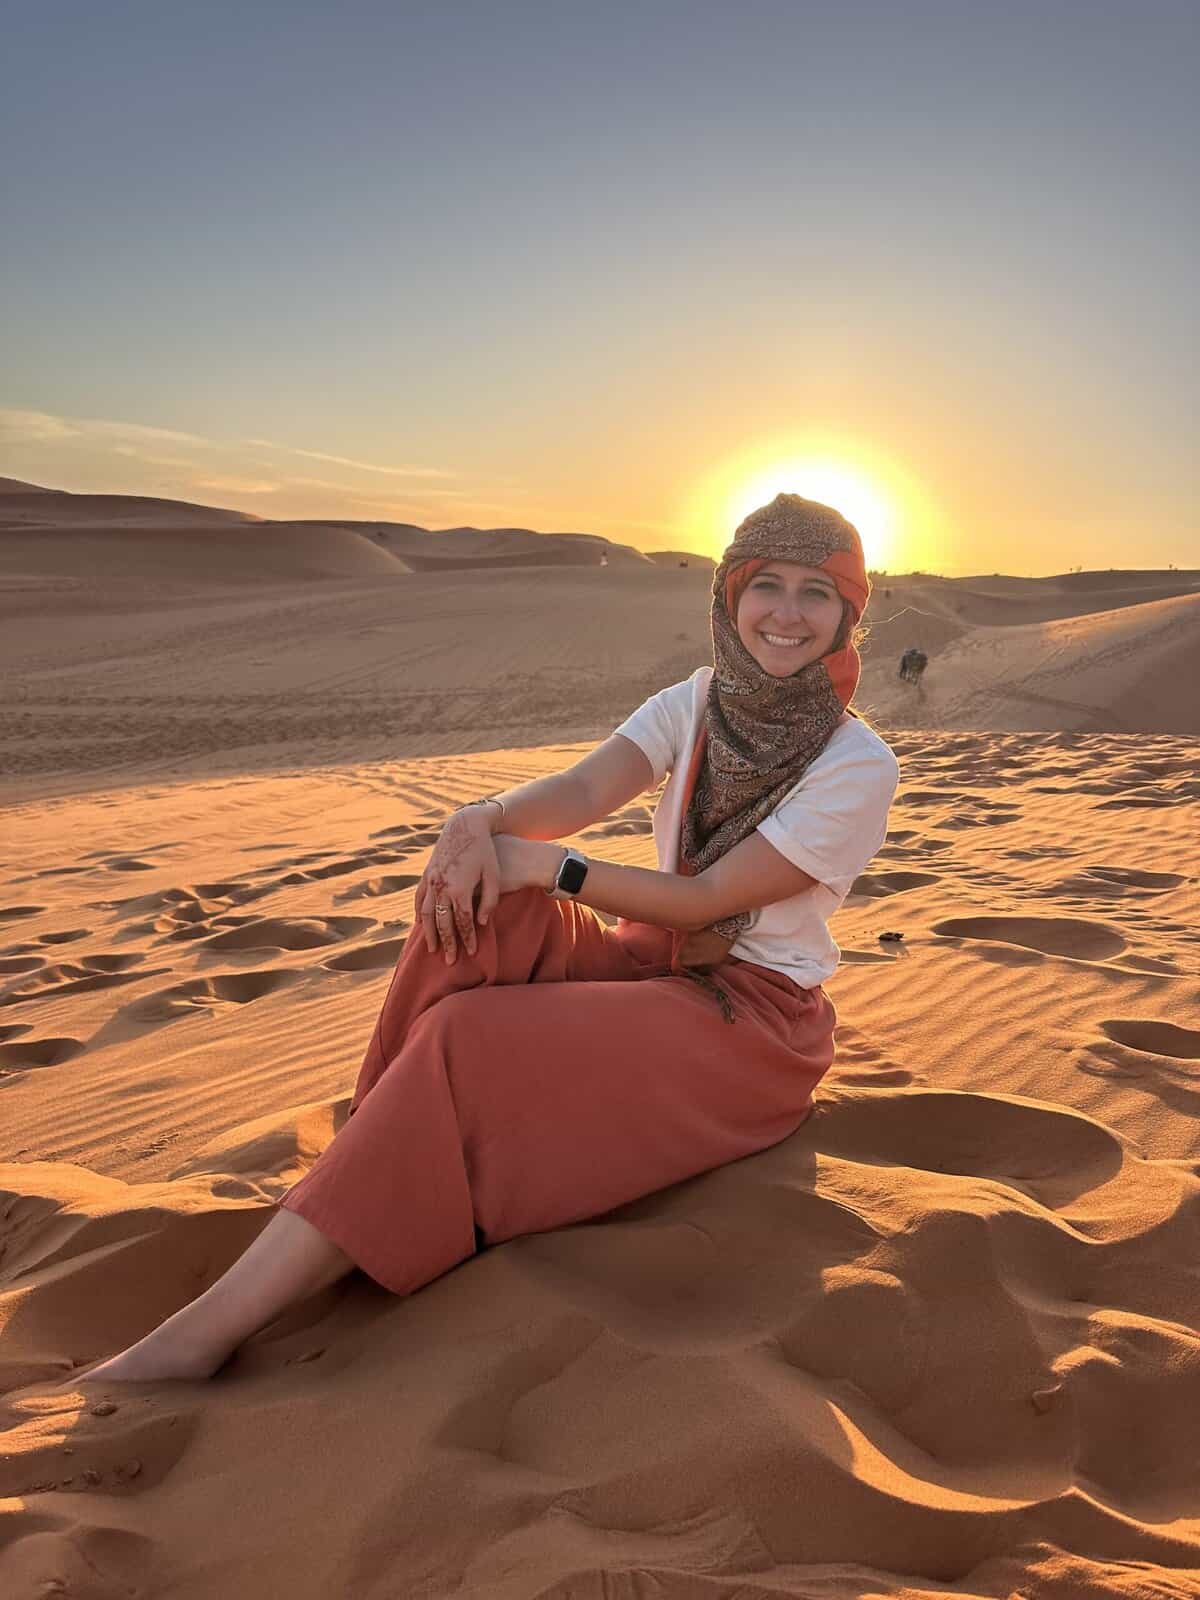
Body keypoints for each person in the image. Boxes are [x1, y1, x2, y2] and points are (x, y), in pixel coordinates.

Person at [85, 493, 899, 1383]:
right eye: (766, 584)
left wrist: (547, 868)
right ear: (729, 592)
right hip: (648, 964)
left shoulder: (857, 765)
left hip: (748, 1022)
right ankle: (380, 1166)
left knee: (465, 1035)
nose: (785, 613)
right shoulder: (700, 698)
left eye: (816, 592)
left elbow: (705, 900)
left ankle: (209, 1330)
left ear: (847, 613)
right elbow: (586, 790)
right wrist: (480, 824)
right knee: (469, 912)